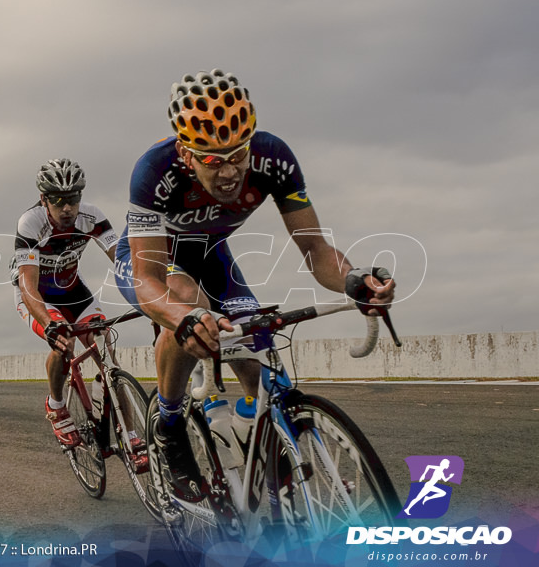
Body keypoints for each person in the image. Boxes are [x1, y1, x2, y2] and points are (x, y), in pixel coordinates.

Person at [113, 68, 396, 501]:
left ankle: (259, 440)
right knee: (189, 303)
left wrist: (354, 280)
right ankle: (169, 425)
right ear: (187, 155)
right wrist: (183, 318)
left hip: (210, 253)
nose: (228, 172)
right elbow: (149, 278)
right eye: (211, 159)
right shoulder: (156, 169)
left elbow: (317, 251)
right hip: (151, 260)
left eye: (237, 154)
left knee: (256, 346)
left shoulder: (272, 157)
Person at [12, 158, 120, 450]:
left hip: (73, 290)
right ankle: (57, 405)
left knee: (105, 344)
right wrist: (49, 324)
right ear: (43, 199)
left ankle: (123, 425)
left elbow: (126, 263)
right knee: (63, 341)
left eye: (72, 199)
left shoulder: (92, 217)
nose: (67, 208)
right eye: (58, 201)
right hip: (37, 296)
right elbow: (28, 285)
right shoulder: (31, 223)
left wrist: (156, 299)